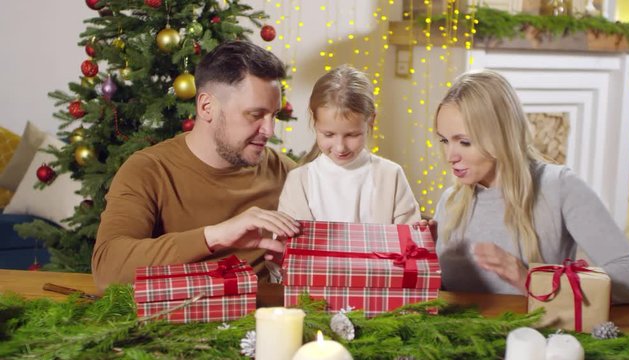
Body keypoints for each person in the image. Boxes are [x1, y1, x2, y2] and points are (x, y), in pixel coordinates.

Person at [92, 41, 300, 293]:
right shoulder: (148, 170)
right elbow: (107, 270)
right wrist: (214, 236)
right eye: (255, 115)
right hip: (173, 325)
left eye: (274, 115)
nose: (269, 130)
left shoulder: (287, 173)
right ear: (206, 107)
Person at [433, 69, 629, 303]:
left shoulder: (559, 187)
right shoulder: (450, 201)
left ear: (500, 135)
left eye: (464, 142)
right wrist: (423, 259)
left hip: (535, 336)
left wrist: (530, 281)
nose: (450, 156)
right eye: (444, 140)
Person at [277, 65, 421, 224]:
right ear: (315, 121)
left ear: (371, 120)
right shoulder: (299, 181)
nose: (340, 147)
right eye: (329, 134)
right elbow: (285, 242)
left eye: (352, 135)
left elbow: (410, 239)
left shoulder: (391, 176)